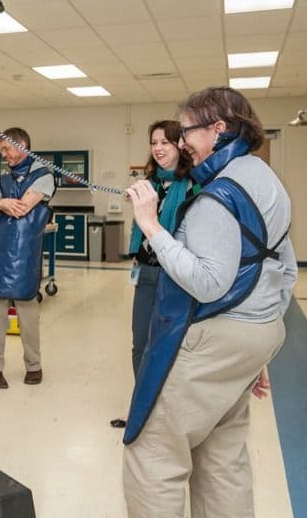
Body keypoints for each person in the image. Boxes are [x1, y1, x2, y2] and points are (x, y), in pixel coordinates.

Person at [122, 87, 297, 517]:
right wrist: (254, 344)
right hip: (259, 331)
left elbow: (208, 282)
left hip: (212, 339)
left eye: (186, 133)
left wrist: (151, 226)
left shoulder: (219, 196)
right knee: (223, 458)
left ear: (218, 129)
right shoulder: (264, 178)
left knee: (153, 454)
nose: (180, 143)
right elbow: (284, 269)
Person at [112, 120, 194, 429]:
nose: (158, 148)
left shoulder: (194, 186)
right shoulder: (148, 186)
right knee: (140, 344)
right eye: (154, 142)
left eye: (166, 142)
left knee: (173, 345)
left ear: (180, 146)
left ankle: (170, 413)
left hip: (178, 277)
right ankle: (142, 407)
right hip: (147, 271)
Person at [0, 128, 56, 388]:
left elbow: (22, 207)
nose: (4, 155)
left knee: (28, 314)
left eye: (6, 149)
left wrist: (1, 203)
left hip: (26, 252)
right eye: (1, 149)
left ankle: (34, 365)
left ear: (22, 145)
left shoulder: (44, 176)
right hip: (0, 251)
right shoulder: (2, 180)